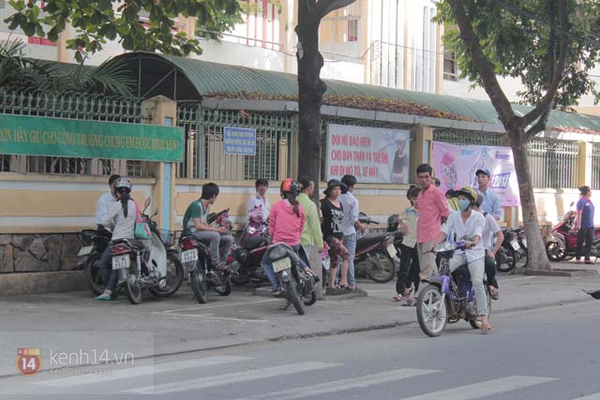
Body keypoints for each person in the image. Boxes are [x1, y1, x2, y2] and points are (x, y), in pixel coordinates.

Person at [434, 186, 491, 332]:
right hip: (459, 252)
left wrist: (473, 241)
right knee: (443, 273)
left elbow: (478, 234)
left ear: (471, 202)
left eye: (464, 199)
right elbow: (444, 231)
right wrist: (434, 244)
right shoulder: (454, 215)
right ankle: (450, 302)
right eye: (459, 199)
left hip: (476, 253)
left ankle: (484, 318)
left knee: (477, 282)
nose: (460, 202)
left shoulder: (479, 217)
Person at [261, 178, 314, 296]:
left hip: (279, 243)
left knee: (265, 262)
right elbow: (301, 226)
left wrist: (272, 240)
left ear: (282, 192)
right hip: (295, 243)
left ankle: (276, 286)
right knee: (293, 255)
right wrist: (296, 238)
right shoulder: (299, 207)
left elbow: (272, 227)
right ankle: (304, 269)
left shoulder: (276, 206)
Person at [94, 177, 136, 301]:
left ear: (117, 192)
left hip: (117, 240)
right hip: (129, 240)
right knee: (117, 265)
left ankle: (108, 289)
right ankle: (109, 290)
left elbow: (105, 221)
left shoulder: (117, 205)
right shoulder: (133, 204)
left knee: (103, 263)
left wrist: (113, 226)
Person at [413, 164, 450, 304]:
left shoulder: (436, 193)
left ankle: (420, 294)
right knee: (430, 266)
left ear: (431, 176)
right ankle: (439, 291)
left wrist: (439, 229)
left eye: (427, 177)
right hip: (421, 234)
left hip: (432, 235)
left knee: (426, 268)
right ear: (417, 178)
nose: (424, 180)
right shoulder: (420, 194)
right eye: (421, 177)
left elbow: (446, 212)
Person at [182, 182, 234, 270]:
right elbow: (198, 226)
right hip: (191, 232)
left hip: (200, 232)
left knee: (229, 238)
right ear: (213, 195)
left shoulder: (207, 206)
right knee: (215, 236)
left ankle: (223, 262)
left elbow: (205, 223)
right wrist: (216, 231)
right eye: (216, 196)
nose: (215, 199)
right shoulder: (196, 205)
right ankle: (215, 262)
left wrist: (217, 228)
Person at [321, 179, 351, 292]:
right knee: (347, 255)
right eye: (334, 189)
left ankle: (331, 285)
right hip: (329, 236)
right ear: (329, 191)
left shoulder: (340, 204)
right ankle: (343, 281)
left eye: (338, 189)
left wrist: (341, 237)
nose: (337, 191)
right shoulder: (324, 203)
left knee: (334, 261)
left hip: (339, 234)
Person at [393, 186, 421, 304]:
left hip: (420, 244)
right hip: (407, 242)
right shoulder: (408, 211)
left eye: (417, 198)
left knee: (417, 269)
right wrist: (403, 225)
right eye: (413, 199)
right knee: (404, 268)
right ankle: (400, 291)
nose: (416, 201)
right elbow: (398, 218)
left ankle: (414, 290)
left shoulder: (426, 211)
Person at [473, 193, 503, 300]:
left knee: (490, 262)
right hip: (467, 250)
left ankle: (491, 284)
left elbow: (500, 236)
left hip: (483, 250)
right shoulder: (462, 216)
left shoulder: (488, 217)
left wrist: (493, 252)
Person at [340, 174, 365, 290]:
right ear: (351, 187)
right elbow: (354, 219)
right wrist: (362, 227)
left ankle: (338, 281)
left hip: (338, 232)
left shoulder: (337, 198)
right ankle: (351, 283)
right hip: (349, 232)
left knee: (338, 258)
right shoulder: (353, 200)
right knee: (349, 258)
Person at [297, 178, 324, 267]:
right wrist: (319, 243)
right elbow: (314, 225)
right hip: (304, 240)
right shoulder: (310, 204)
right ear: (309, 188)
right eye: (313, 187)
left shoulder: (292, 201)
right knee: (302, 266)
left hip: (290, 239)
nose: (313, 189)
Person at [574, 185, 595, 265]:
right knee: (580, 242)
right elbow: (579, 213)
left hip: (590, 225)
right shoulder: (581, 201)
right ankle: (577, 258)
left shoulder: (589, 201)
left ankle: (587, 258)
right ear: (587, 192)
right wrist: (578, 225)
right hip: (582, 226)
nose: (591, 192)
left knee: (589, 242)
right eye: (590, 191)